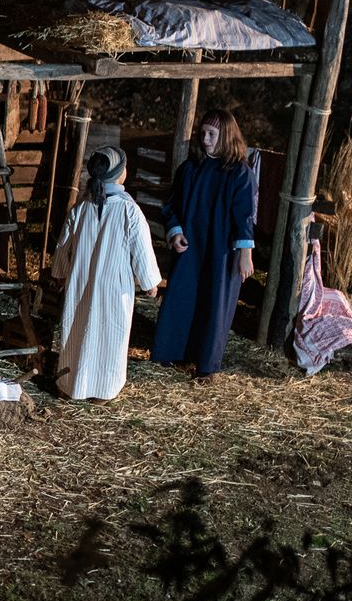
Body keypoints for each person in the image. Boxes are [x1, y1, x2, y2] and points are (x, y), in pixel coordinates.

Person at [151, 109, 257, 384]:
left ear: (227, 137)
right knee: (181, 298)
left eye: (212, 134)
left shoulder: (239, 174)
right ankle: (170, 352)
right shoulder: (190, 169)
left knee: (215, 304)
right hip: (191, 249)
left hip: (222, 252)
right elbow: (171, 206)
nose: (206, 139)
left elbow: (245, 214)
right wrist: (175, 233)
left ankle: (207, 366)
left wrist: (245, 253)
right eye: (203, 134)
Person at [52, 145, 162, 401]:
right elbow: (141, 248)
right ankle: (102, 390)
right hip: (114, 289)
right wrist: (150, 282)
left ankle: (72, 385)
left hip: (81, 285)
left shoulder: (80, 209)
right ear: (120, 174)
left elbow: (63, 245)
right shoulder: (129, 211)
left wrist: (59, 272)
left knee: (77, 330)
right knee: (109, 335)